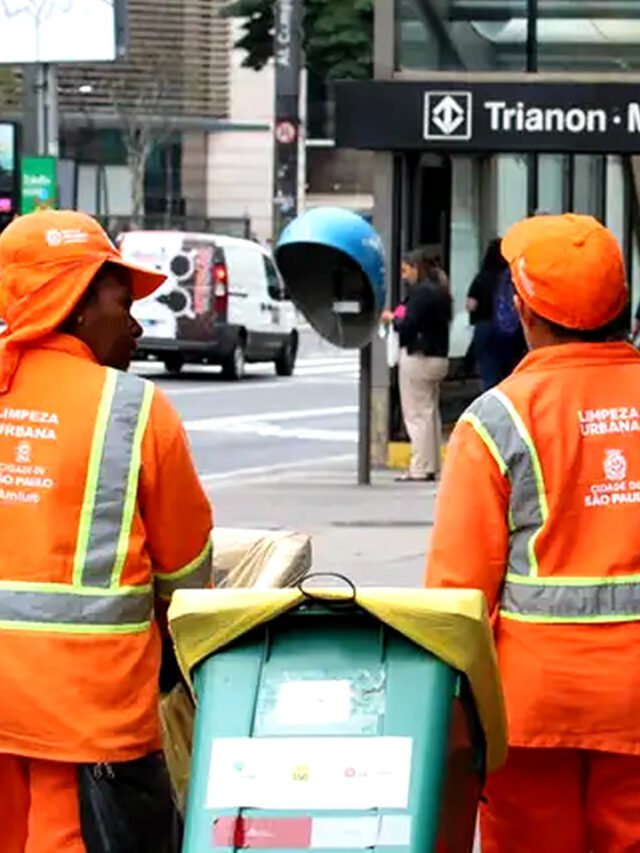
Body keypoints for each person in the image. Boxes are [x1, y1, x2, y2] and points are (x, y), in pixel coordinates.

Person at [425, 213, 640, 852]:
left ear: (524, 311)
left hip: (531, 709)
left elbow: (455, 596)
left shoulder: (496, 421)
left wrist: (453, 718)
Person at [0, 210, 214, 853]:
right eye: (121, 301)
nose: (136, 322)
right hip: (89, 719)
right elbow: (187, 576)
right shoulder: (133, 410)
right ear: (73, 301)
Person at [382, 248, 452, 482]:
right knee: (430, 414)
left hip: (419, 357)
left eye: (405, 270)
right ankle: (432, 464)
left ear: (415, 268)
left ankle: (420, 466)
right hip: (439, 357)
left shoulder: (420, 293)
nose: (403, 276)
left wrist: (393, 319)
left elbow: (406, 322)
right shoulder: (441, 291)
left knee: (416, 415)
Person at [466, 238, 526, 390]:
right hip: (509, 329)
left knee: (488, 372)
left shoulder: (482, 277)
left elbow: (471, 305)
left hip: (484, 327)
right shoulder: (511, 277)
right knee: (508, 372)